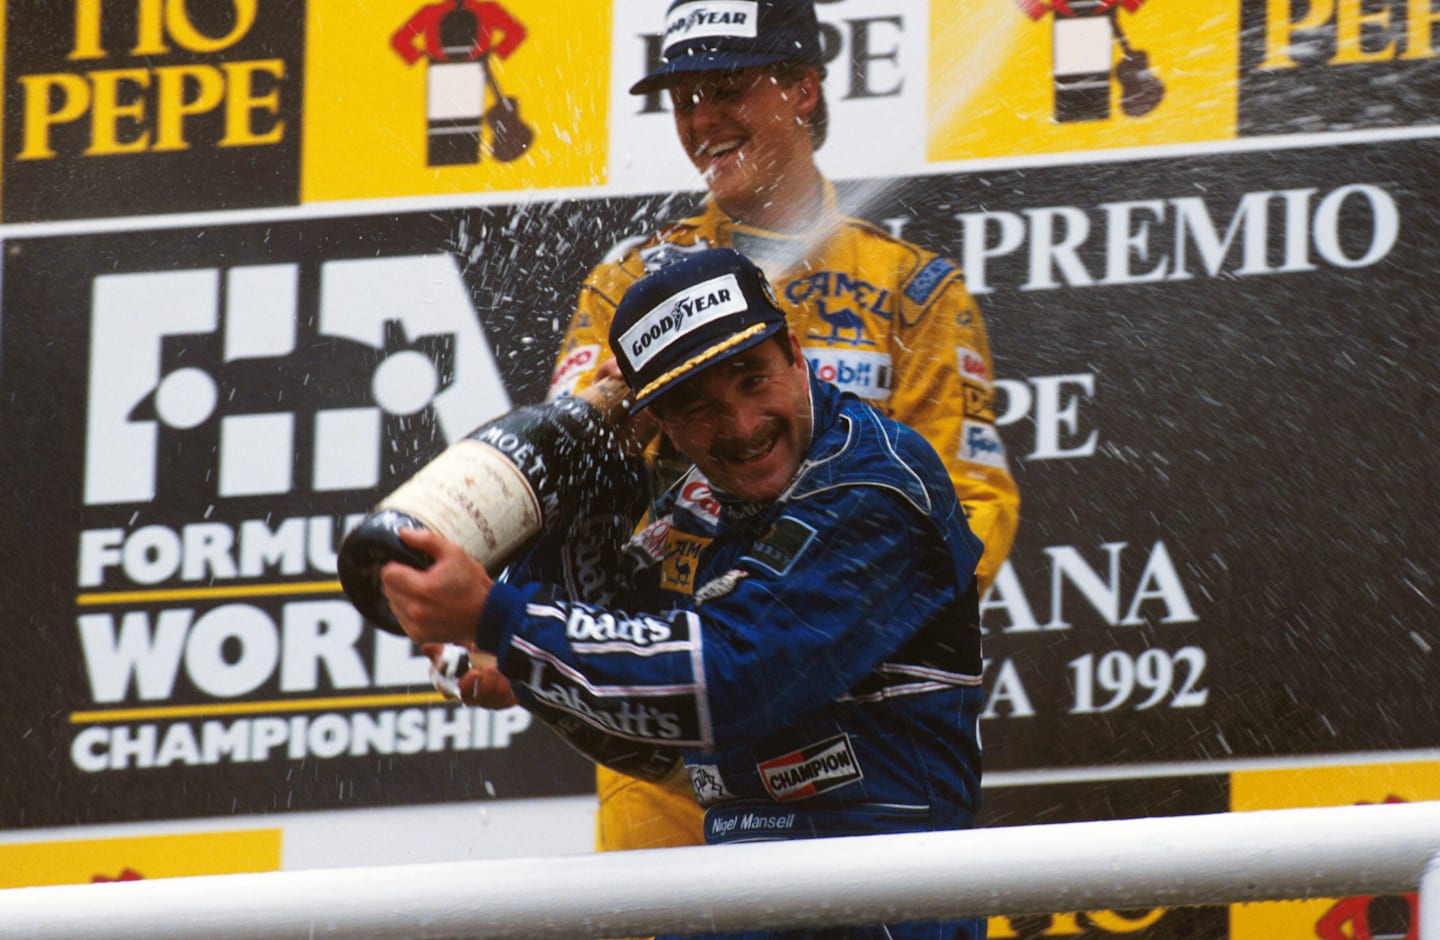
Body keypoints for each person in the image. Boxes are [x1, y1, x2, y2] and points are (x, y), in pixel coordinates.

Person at [384, 248, 987, 940]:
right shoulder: (698, 499)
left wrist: (498, 619)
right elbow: (599, 627)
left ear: (796, 352)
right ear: (661, 423)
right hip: (740, 887)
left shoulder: (875, 484)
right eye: (695, 407)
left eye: (751, 378)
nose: (740, 425)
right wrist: (597, 462)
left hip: (882, 895)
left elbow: (729, 679)